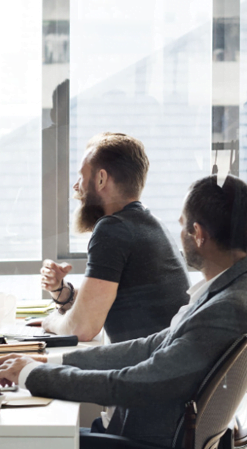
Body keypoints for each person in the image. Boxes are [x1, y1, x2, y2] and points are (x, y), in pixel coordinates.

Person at [0, 174, 247, 449]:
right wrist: (52, 360)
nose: (180, 236)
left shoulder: (228, 308)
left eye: (183, 227)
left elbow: (134, 383)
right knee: (41, 439)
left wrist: (34, 375)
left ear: (199, 234)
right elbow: (154, 343)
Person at [38, 133, 190, 343]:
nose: (76, 187)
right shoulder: (149, 224)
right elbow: (104, 296)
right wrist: (63, 292)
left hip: (146, 368)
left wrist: (51, 322)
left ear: (101, 179)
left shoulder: (112, 229)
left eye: (81, 176)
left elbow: (82, 329)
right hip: (163, 361)